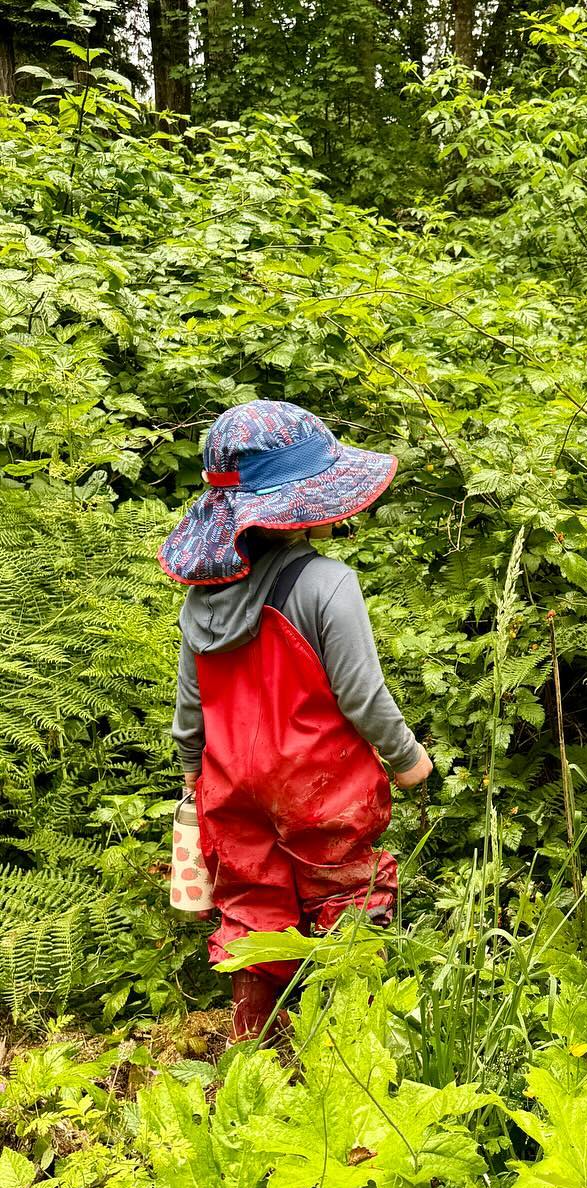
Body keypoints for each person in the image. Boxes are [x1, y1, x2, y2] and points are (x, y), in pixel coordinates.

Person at [159, 400, 432, 1041]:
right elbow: (364, 697)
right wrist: (408, 760)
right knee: (346, 902)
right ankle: (348, 1053)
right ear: (308, 504)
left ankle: (255, 1059)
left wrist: (194, 784)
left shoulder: (202, 601)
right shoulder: (326, 584)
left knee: (253, 913)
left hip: (229, 786)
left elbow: (189, 713)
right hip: (320, 787)